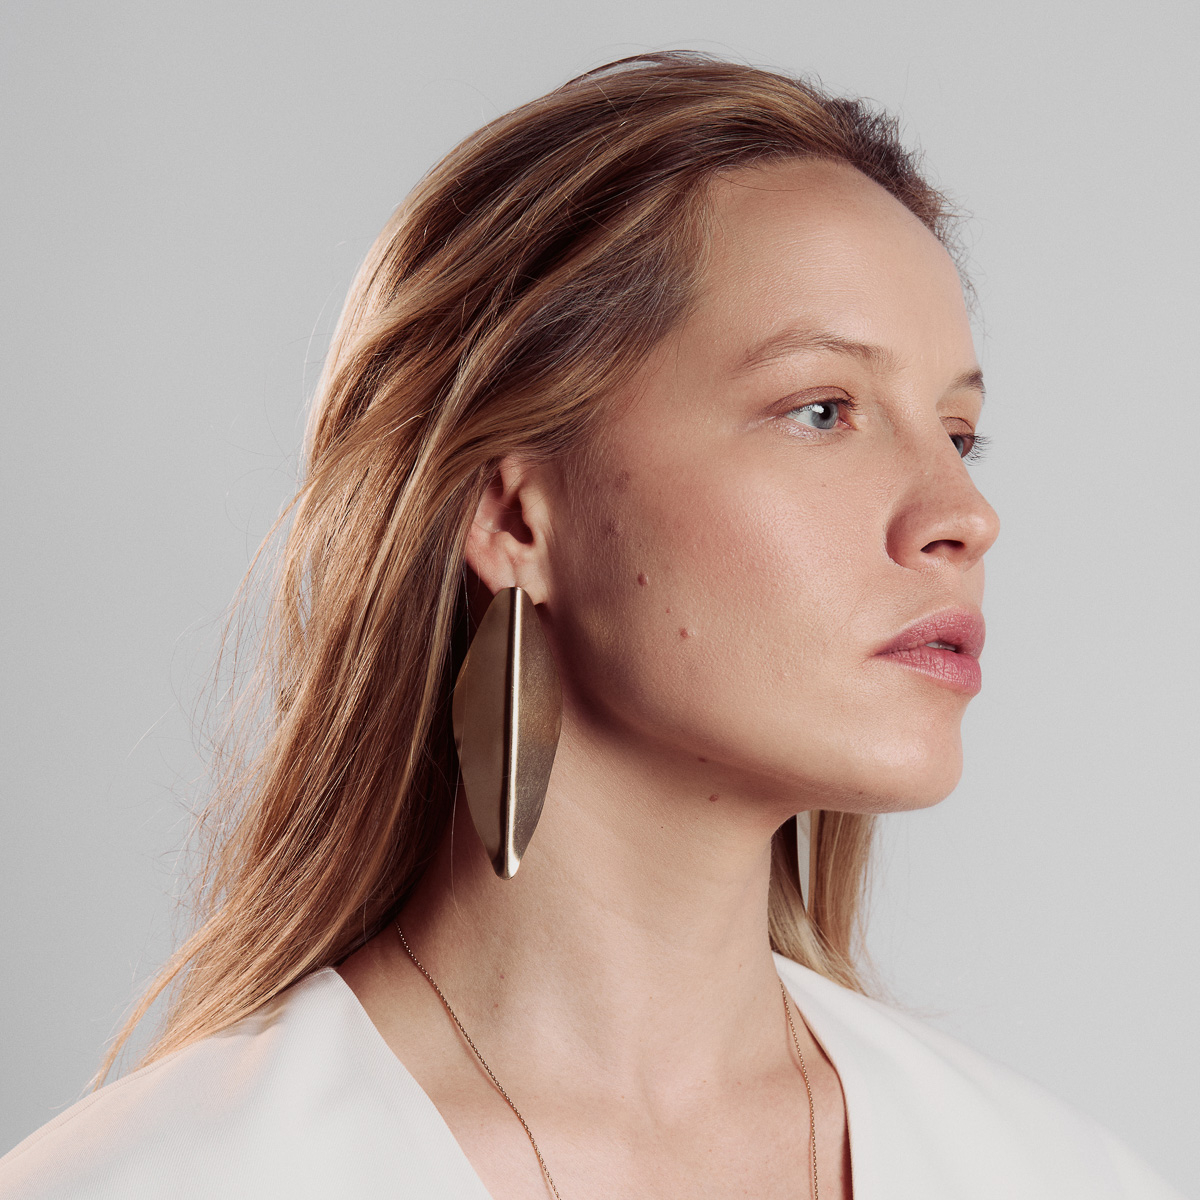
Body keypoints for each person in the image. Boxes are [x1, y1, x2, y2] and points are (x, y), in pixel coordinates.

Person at [0, 51, 1183, 1200]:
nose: (964, 514)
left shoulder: (1059, 1179)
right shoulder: (164, 1179)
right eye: (823, 410)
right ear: (516, 517)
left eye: (959, 433)